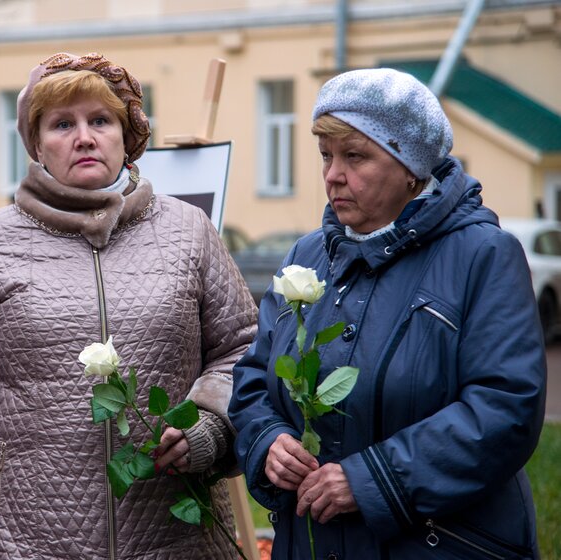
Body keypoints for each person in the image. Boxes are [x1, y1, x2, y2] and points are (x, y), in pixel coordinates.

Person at [0, 52, 258, 559]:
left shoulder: (188, 231)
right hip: (25, 541)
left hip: (176, 536)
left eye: (101, 120)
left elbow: (242, 349)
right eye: (62, 123)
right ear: (37, 144)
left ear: (127, 136)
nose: (84, 137)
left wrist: (210, 429)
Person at [229, 68, 546, 559]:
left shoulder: (483, 255)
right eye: (326, 156)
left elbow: (505, 408)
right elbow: (253, 376)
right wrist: (269, 442)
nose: (333, 175)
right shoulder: (308, 255)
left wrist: (372, 480)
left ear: (411, 168)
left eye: (355, 156)